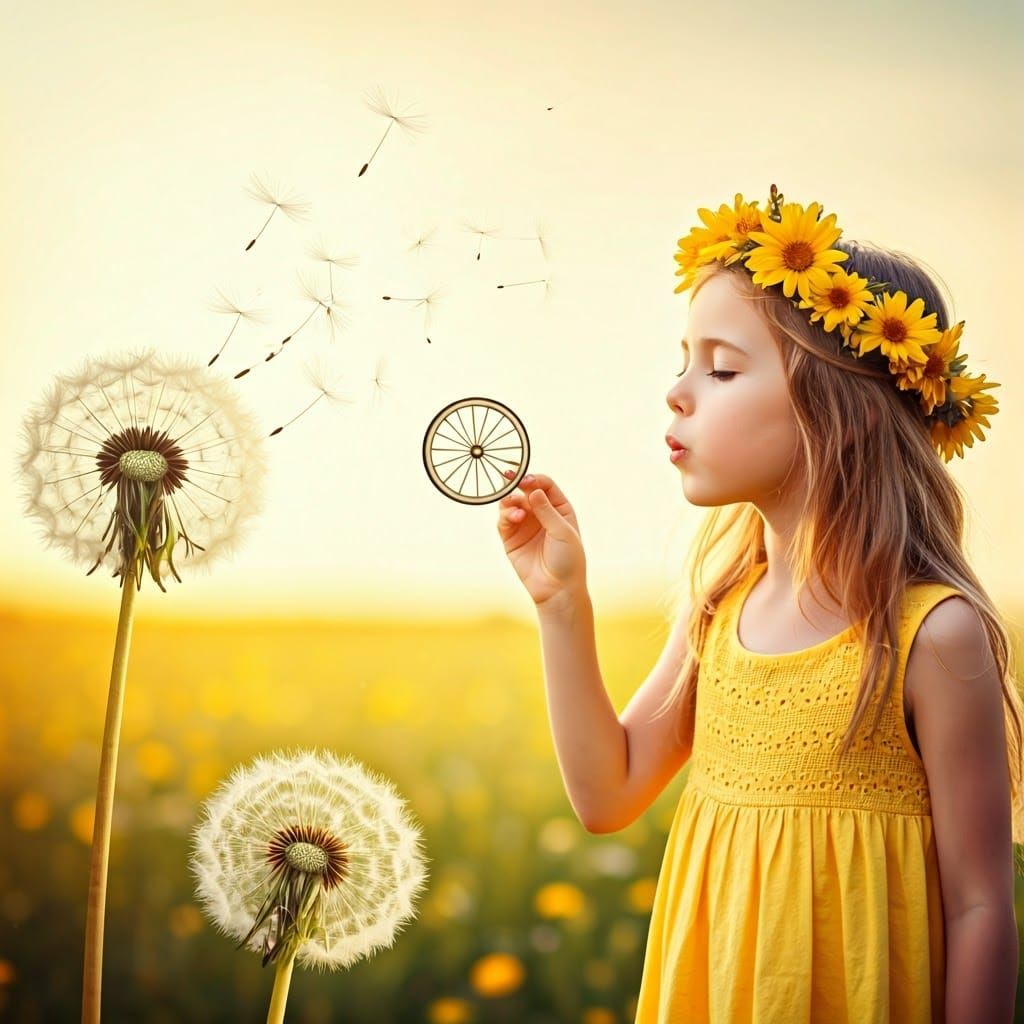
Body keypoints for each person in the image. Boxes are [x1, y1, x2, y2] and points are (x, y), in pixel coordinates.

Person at [497, 186, 1021, 1023]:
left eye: (723, 367)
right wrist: (562, 602)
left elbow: (980, 906)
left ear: (841, 411)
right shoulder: (718, 610)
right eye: (682, 360)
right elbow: (608, 795)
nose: (678, 392)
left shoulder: (933, 636)